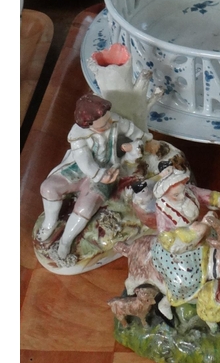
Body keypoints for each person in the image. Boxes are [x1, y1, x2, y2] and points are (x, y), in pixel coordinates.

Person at [37, 94, 152, 259]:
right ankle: (49, 223)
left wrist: (138, 143)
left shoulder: (114, 121)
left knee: (85, 207)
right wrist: (99, 175)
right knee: (48, 188)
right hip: (80, 170)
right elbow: (84, 160)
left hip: (108, 170)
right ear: (88, 125)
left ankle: (65, 241)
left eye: (109, 119)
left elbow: (135, 132)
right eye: (103, 125)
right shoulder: (78, 135)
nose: (110, 124)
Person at [150, 162, 220, 307]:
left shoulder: (188, 191)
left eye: (182, 191)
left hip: (203, 233)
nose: (181, 197)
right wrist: (193, 232)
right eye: (176, 195)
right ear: (165, 193)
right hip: (179, 246)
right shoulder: (163, 208)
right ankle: (184, 301)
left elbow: (207, 196)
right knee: (186, 278)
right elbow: (165, 236)